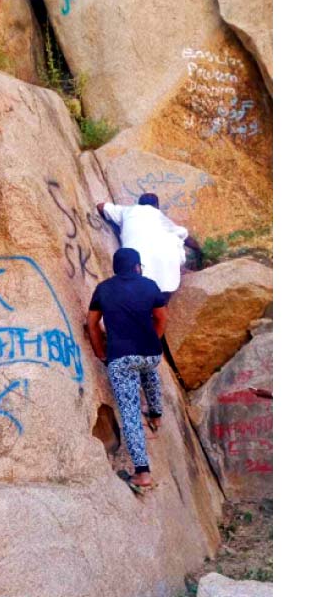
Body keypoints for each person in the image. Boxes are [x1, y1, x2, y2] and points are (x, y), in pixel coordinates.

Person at [87, 248, 168, 488]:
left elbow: (92, 323)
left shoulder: (103, 289)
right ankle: (155, 415)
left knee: (130, 412)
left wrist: (100, 352)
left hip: (121, 358)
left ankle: (142, 473)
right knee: (149, 370)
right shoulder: (150, 285)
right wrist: (152, 341)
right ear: (137, 266)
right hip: (150, 354)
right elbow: (162, 318)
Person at [97, 194, 202, 303]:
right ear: (157, 206)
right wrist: (199, 251)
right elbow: (186, 238)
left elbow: (101, 206)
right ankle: (160, 308)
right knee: (165, 282)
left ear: (139, 203)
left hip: (136, 265)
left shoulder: (127, 211)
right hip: (165, 263)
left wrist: (122, 226)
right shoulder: (161, 218)